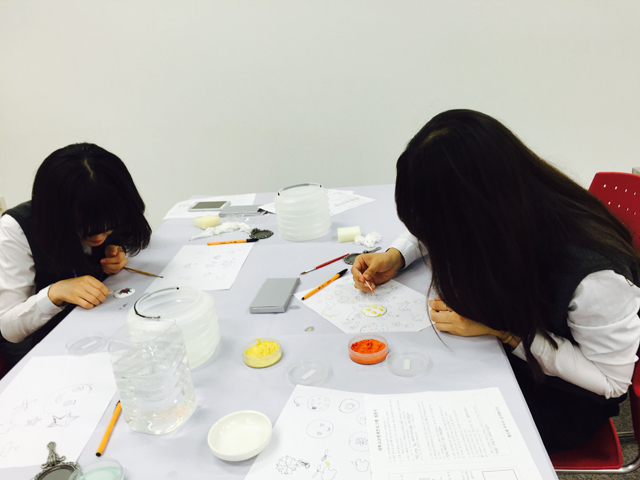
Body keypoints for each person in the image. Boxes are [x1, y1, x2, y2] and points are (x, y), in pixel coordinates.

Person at [352, 109, 640, 453]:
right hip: (510, 344)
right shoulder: (512, 205)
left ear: (478, 209)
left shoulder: (595, 278)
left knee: (427, 419)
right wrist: (397, 255)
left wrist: (503, 331)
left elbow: (611, 381)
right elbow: (440, 222)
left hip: (562, 395)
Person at [0, 143, 152, 372]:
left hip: (97, 326)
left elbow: (124, 239)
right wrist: (55, 293)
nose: (99, 237)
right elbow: (9, 328)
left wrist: (118, 253)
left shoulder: (108, 204)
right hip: (45, 348)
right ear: (57, 216)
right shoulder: (16, 229)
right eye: (87, 231)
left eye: (108, 229)